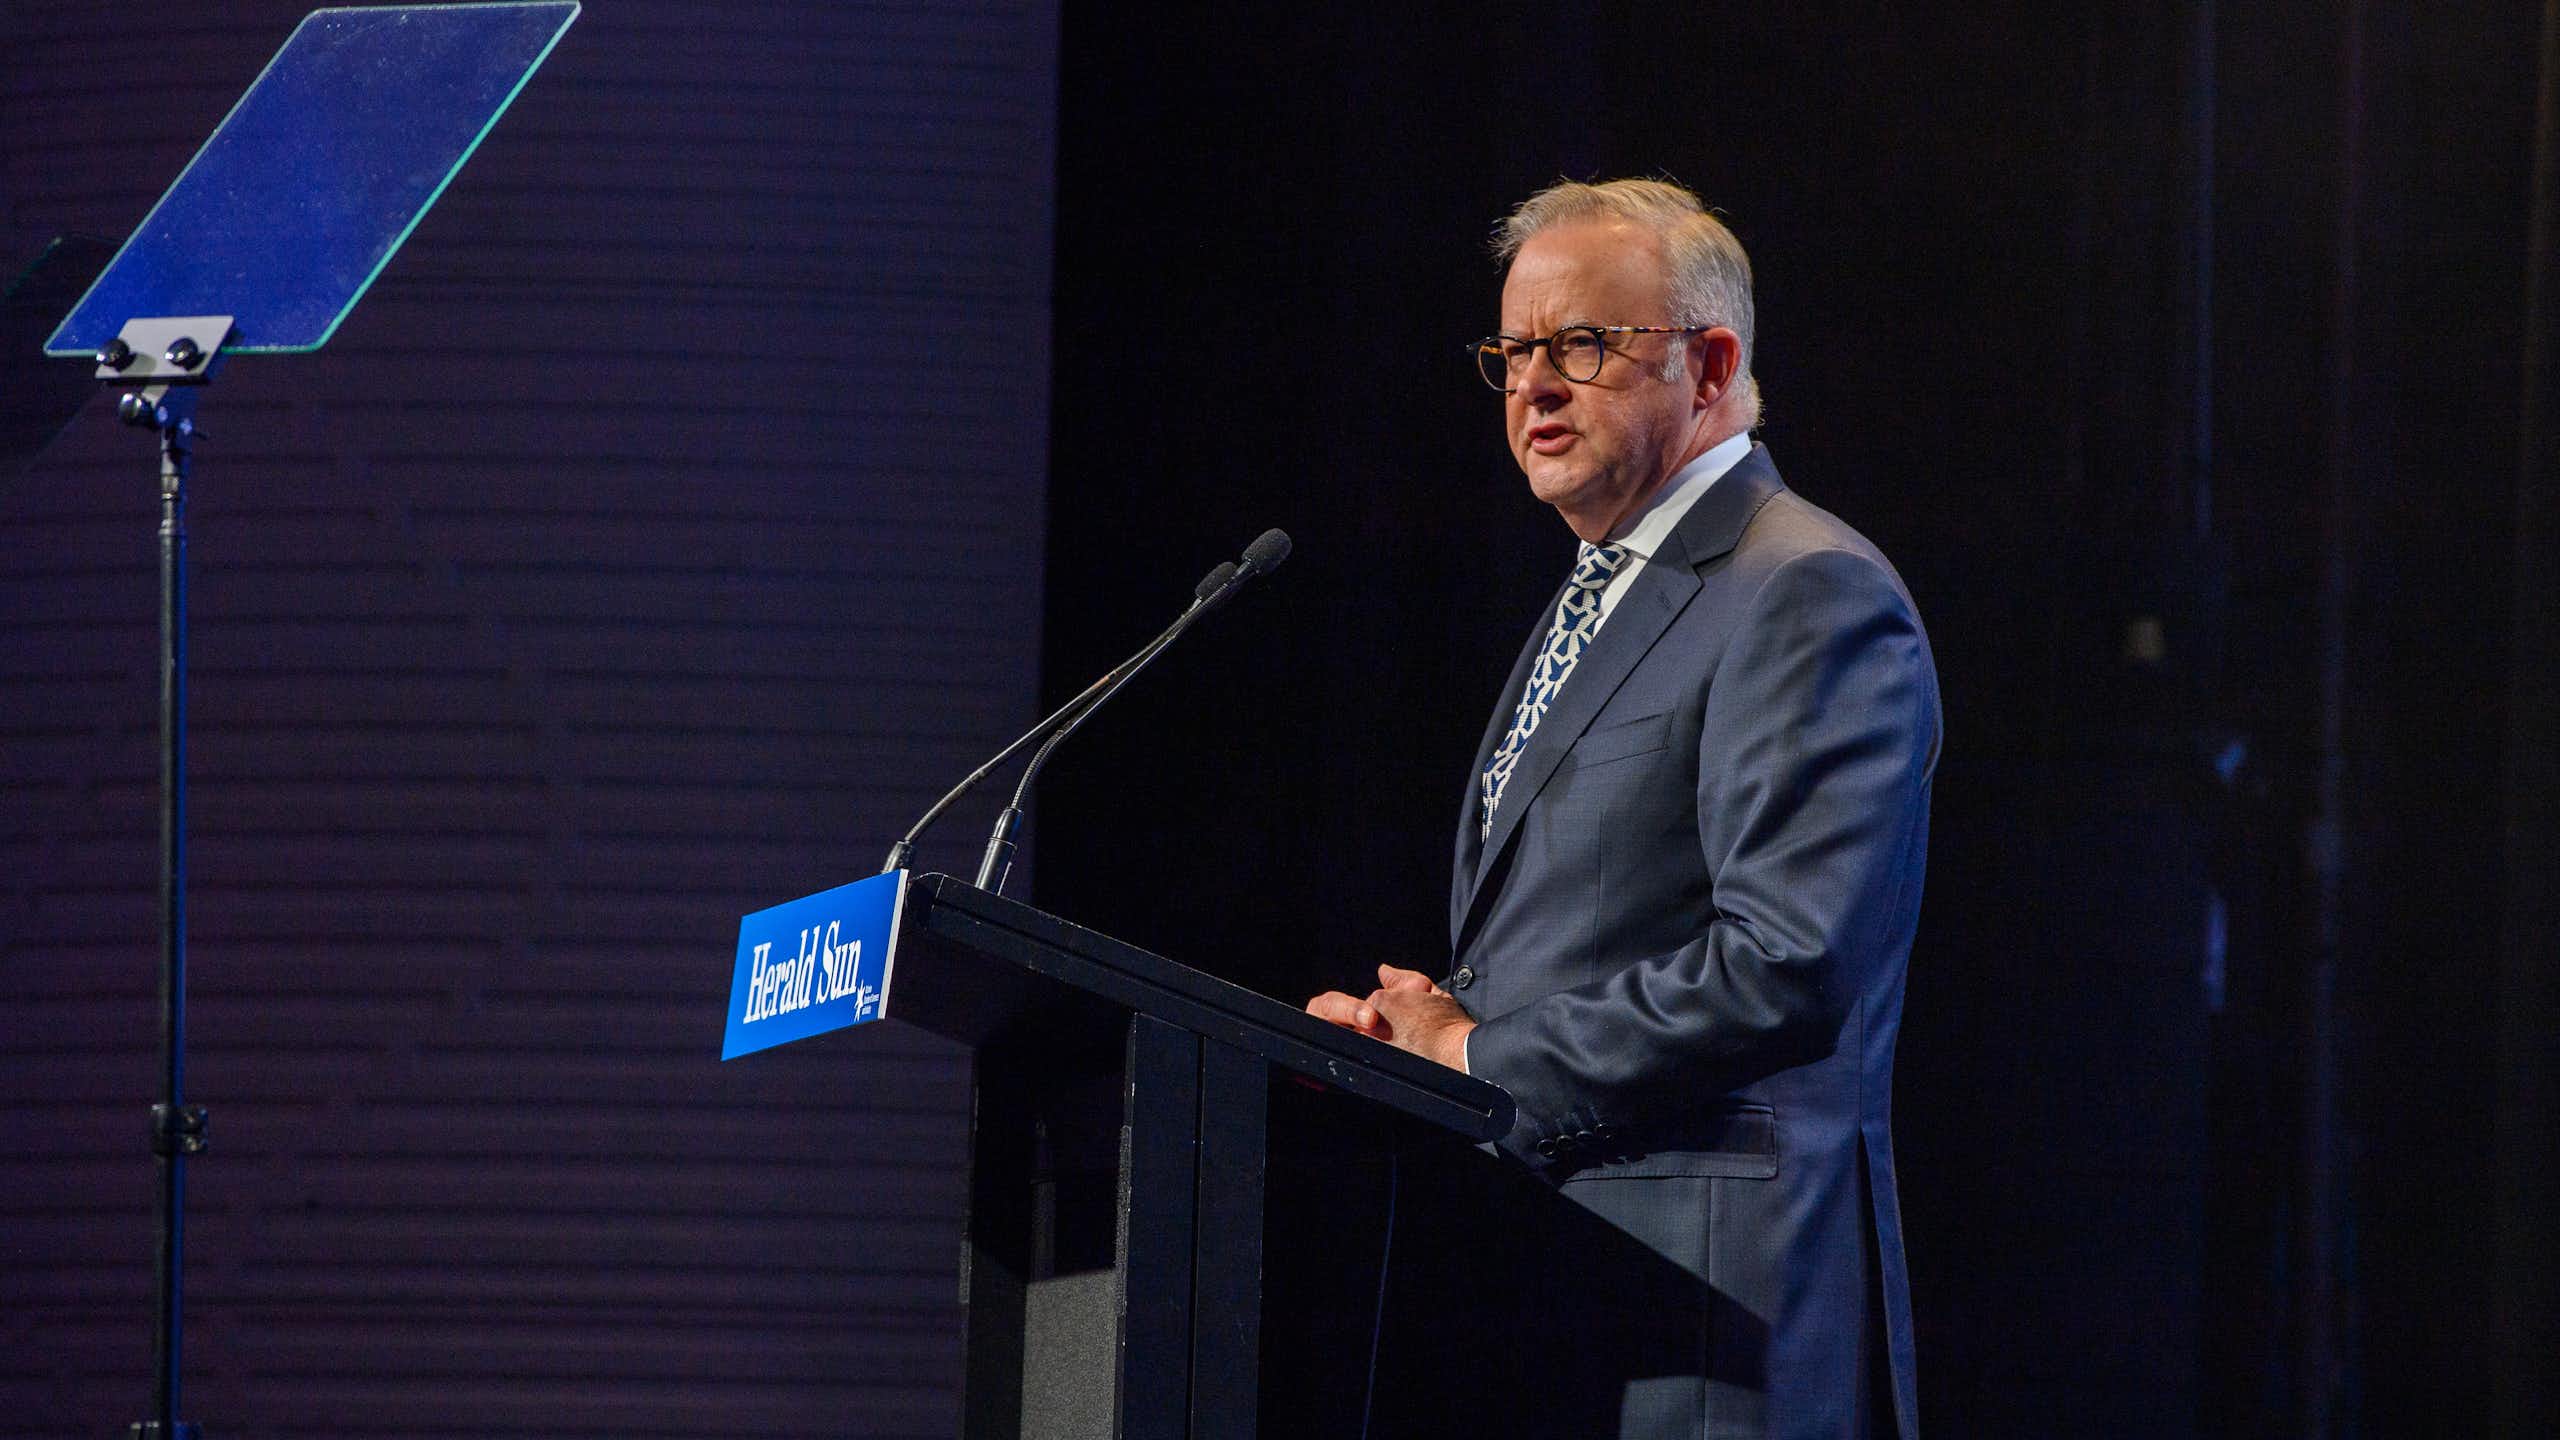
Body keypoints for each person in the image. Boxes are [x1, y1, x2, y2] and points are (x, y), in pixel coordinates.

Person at [1307, 178, 1940, 1439]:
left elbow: (1787, 963)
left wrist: (1482, 1062)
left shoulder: (1803, 590)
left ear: (1709, 366)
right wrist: (1437, 1032)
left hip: (1718, 1329)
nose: (1533, 386)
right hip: (1569, 1304)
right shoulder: (1596, 597)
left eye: (1582, 345)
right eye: (1512, 352)